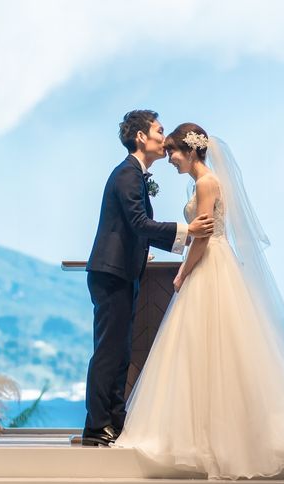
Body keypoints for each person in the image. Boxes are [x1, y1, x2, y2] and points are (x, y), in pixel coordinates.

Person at [114, 123, 284, 479]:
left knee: (212, 348)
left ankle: (218, 439)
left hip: (210, 265)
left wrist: (182, 273)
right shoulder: (203, 182)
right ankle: (203, 436)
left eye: (173, 152)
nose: (170, 159)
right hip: (212, 263)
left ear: (191, 151)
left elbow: (203, 238)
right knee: (204, 350)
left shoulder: (206, 183)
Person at [83, 111, 215, 447]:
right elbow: (139, 223)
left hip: (122, 271)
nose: (164, 138)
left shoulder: (135, 175)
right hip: (111, 273)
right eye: (159, 130)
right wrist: (188, 230)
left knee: (121, 352)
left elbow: (135, 229)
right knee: (109, 352)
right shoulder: (127, 174)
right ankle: (97, 427)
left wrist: (143, 251)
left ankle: (114, 421)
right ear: (141, 137)